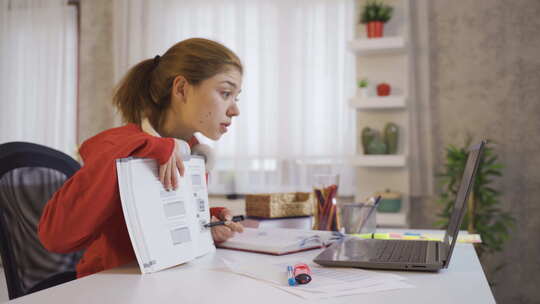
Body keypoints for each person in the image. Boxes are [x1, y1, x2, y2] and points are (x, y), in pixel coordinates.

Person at [38, 38, 244, 278]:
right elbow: (55, 237)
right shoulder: (121, 146)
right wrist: (150, 146)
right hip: (110, 287)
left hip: (169, 282)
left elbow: (158, 224)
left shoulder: (191, 152)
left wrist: (206, 224)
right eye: (226, 93)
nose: (235, 110)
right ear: (181, 89)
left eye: (236, 97)